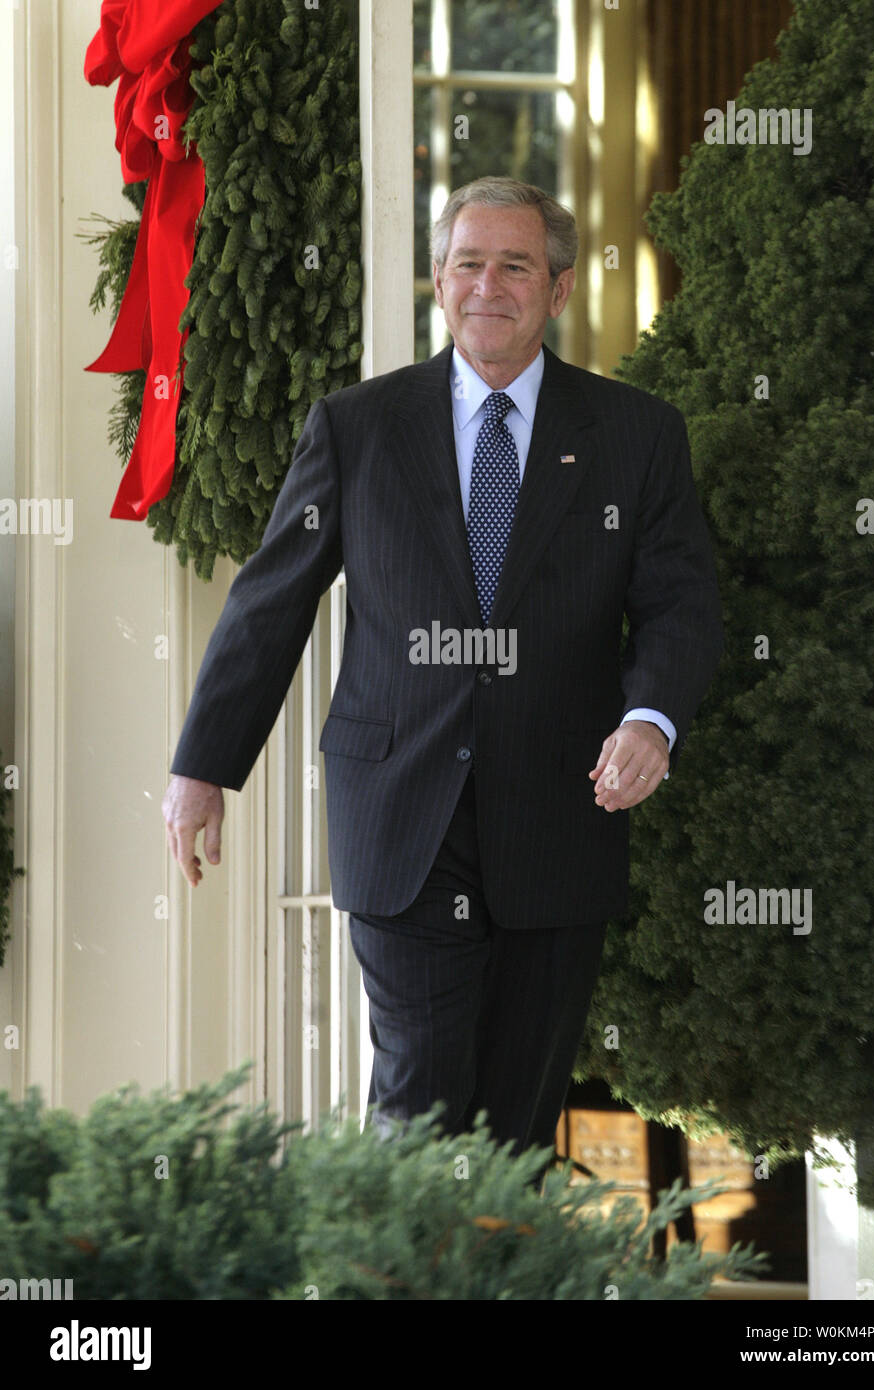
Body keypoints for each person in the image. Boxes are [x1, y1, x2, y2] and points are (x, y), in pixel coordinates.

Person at [162, 176, 723, 1168]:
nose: (487, 285)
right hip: (400, 811)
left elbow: (679, 603)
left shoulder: (636, 436)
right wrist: (203, 765)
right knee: (420, 1094)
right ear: (437, 282)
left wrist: (651, 720)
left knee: (516, 1121)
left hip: (559, 813)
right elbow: (272, 597)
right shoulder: (357, 426)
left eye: (515, 265)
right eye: (468, 263)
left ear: (556, 290)